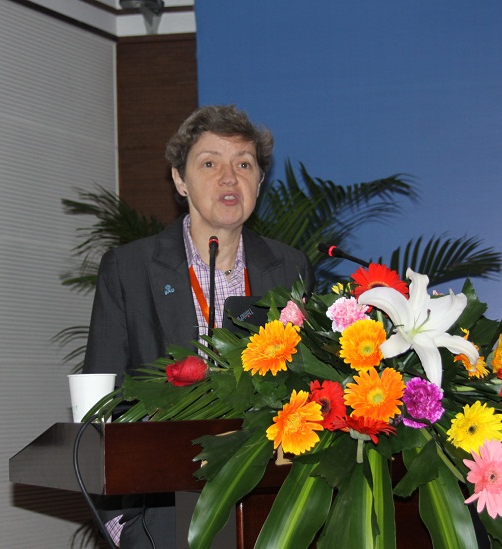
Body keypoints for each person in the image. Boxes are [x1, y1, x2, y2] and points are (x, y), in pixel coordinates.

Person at [82, 105, 315, 548]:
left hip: (270, 502)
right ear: (180, 180)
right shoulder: (129, 269)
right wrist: (119, 524)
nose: (229, 178)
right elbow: (100, 404)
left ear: (259, 181)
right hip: (163, 510)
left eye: (244, 165)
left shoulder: (289, 267)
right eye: (210, 164)